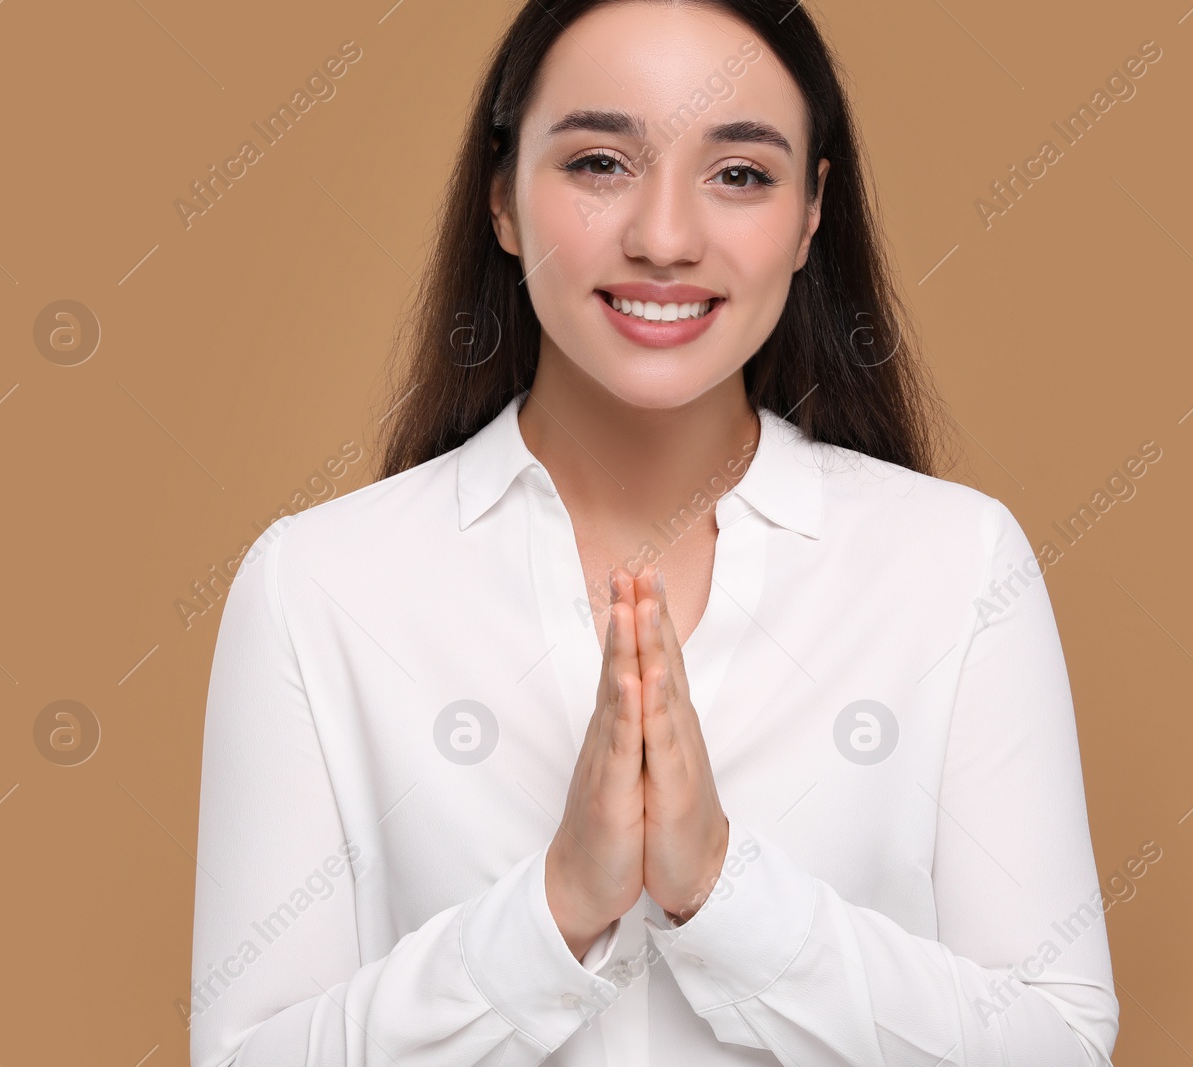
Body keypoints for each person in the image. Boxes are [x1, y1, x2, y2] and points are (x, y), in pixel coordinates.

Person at [190, 1, 1118, 1064]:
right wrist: (553, 910)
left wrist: (724, 891)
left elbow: (1058, 1043)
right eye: (598, 162)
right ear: (501, 195)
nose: (665, 239)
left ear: (813, 212)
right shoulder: (316, 584)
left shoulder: (955, 567)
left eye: (739, 174)